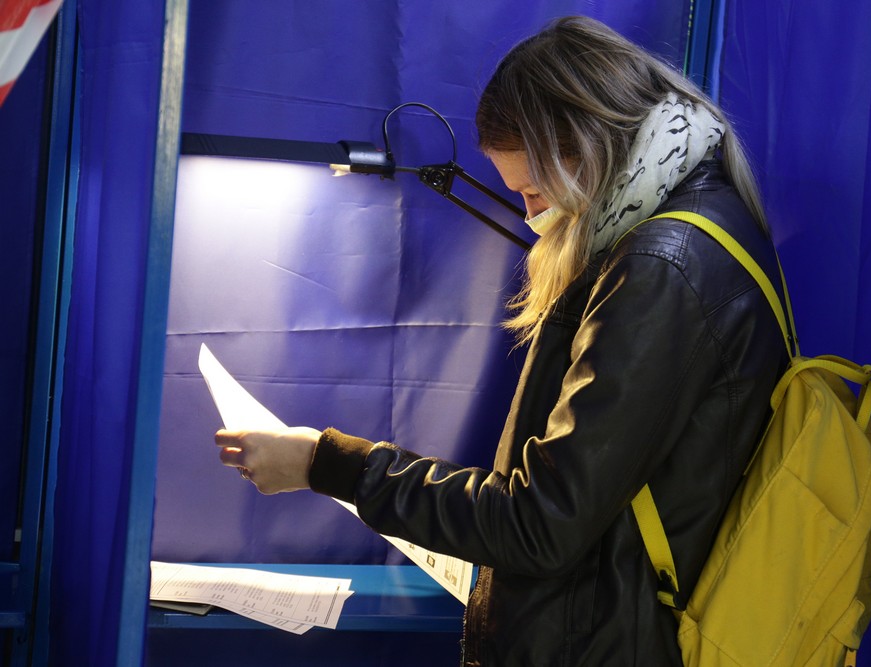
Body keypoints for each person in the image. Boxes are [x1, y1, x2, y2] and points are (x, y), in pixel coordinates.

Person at [216, 15, 787, 666]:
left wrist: (329, 464)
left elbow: (541, 524)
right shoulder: (705, 223)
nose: (532, 216)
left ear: (585, 148)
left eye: (534, 191)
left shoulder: (662, 266)